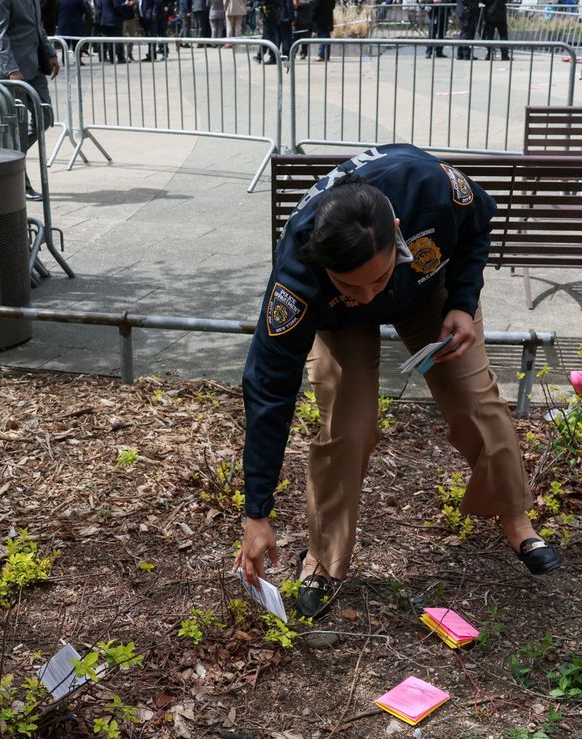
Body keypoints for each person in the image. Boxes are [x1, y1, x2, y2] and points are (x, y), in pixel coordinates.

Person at [236, 144, 564, 619]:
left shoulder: (431, 190)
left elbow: (478, 224)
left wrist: (463, 300)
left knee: (477, 400)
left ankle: (516, 521)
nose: (369, 296)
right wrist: (257, 512)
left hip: (427, 293)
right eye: (353, 285)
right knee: (349, 424)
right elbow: (268, 389)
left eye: (377, 278)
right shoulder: (297, 278)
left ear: (396, 230)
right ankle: (324, 562)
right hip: (339, 321)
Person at [0, 0, 61, 197]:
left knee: (45, 117)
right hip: (12, 71)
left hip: (34, 66)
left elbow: (38, 27)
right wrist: (11, 68)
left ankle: (6, 157)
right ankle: (20, 183)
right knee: (18, 128)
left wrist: (50, 52)